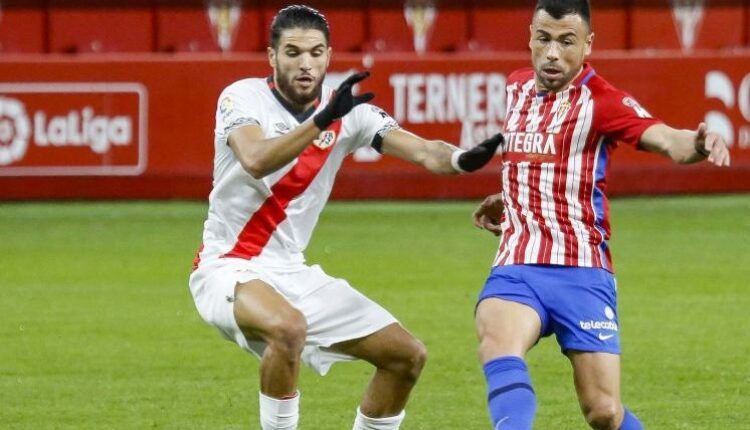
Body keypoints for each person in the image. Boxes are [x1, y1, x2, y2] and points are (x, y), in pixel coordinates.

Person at [188, 5, 502, 430]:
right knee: (287, 328)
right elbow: (256, 159)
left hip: (292, 272)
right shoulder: (242, 97)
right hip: (227, 267)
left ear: (329, 56)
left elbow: (426, 150)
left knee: (405, 357)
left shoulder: (348, 111)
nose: (305, 63)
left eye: (316, 53)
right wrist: (322, 121)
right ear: (271, 57)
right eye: (293, 52)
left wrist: (464, 159)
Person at [471, 1, 731, 429]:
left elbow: (665, 139)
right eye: (544, 39)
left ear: (588, 45)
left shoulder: (602, 101)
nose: (553, 53)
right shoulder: (516, 87)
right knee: (498, 342)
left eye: (567, 42)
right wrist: (510, 194)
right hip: (518, 265)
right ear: (530, 38)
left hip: (582, 272)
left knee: (604, 412)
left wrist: (697, 144)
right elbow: (537, 158)